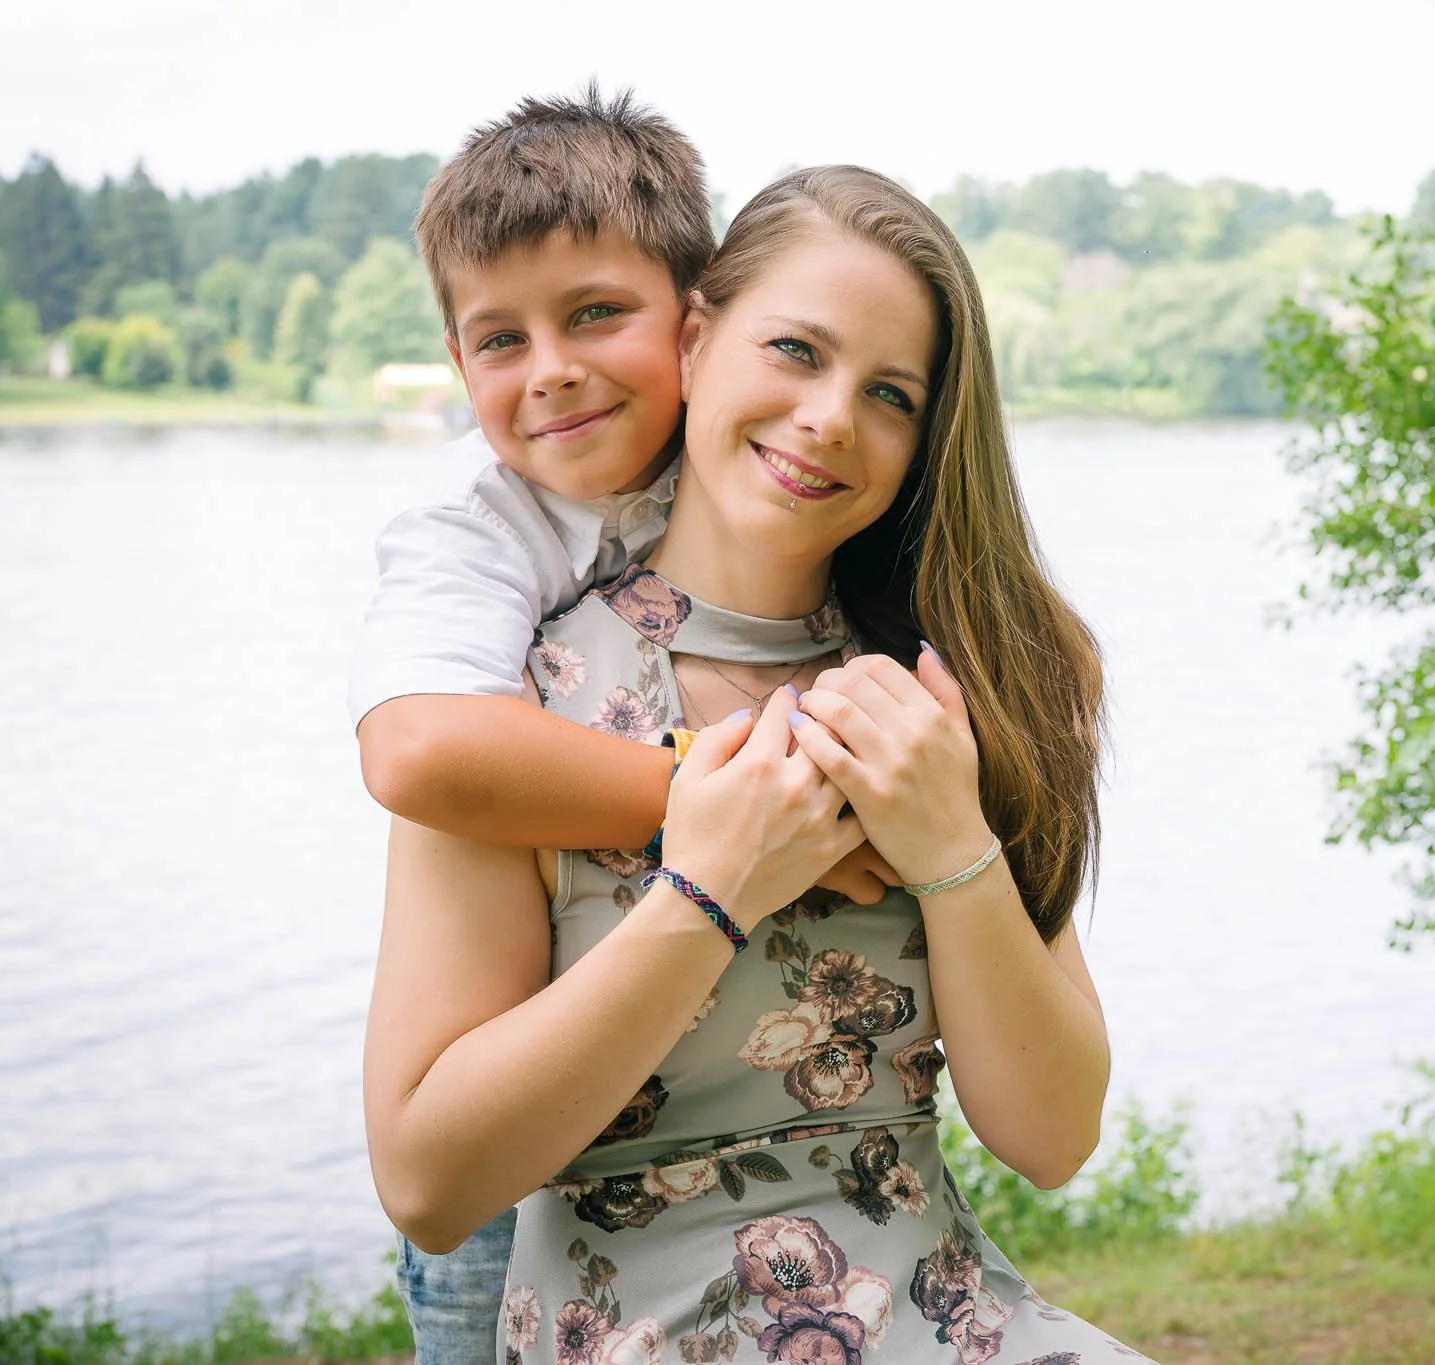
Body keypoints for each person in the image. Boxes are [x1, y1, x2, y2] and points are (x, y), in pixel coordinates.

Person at [363, 164, 1152, 1363]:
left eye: (889, 393)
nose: (832, 415)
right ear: (695, 340)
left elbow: (1050, 1136)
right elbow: (426, 1183)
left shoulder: (937, 698)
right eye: (794, 350)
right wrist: (707, 894)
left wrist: (951, 846)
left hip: (953, 1327)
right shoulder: (515, 721)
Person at [349, 90, 893, 1362]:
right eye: (498, 339)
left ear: (697, 322)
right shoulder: (476, 529)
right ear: (455, 361)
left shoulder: (756, 463)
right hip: (519, 1163)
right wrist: (730, 794)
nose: (551, 371)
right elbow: (417, 750)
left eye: (595, 312)